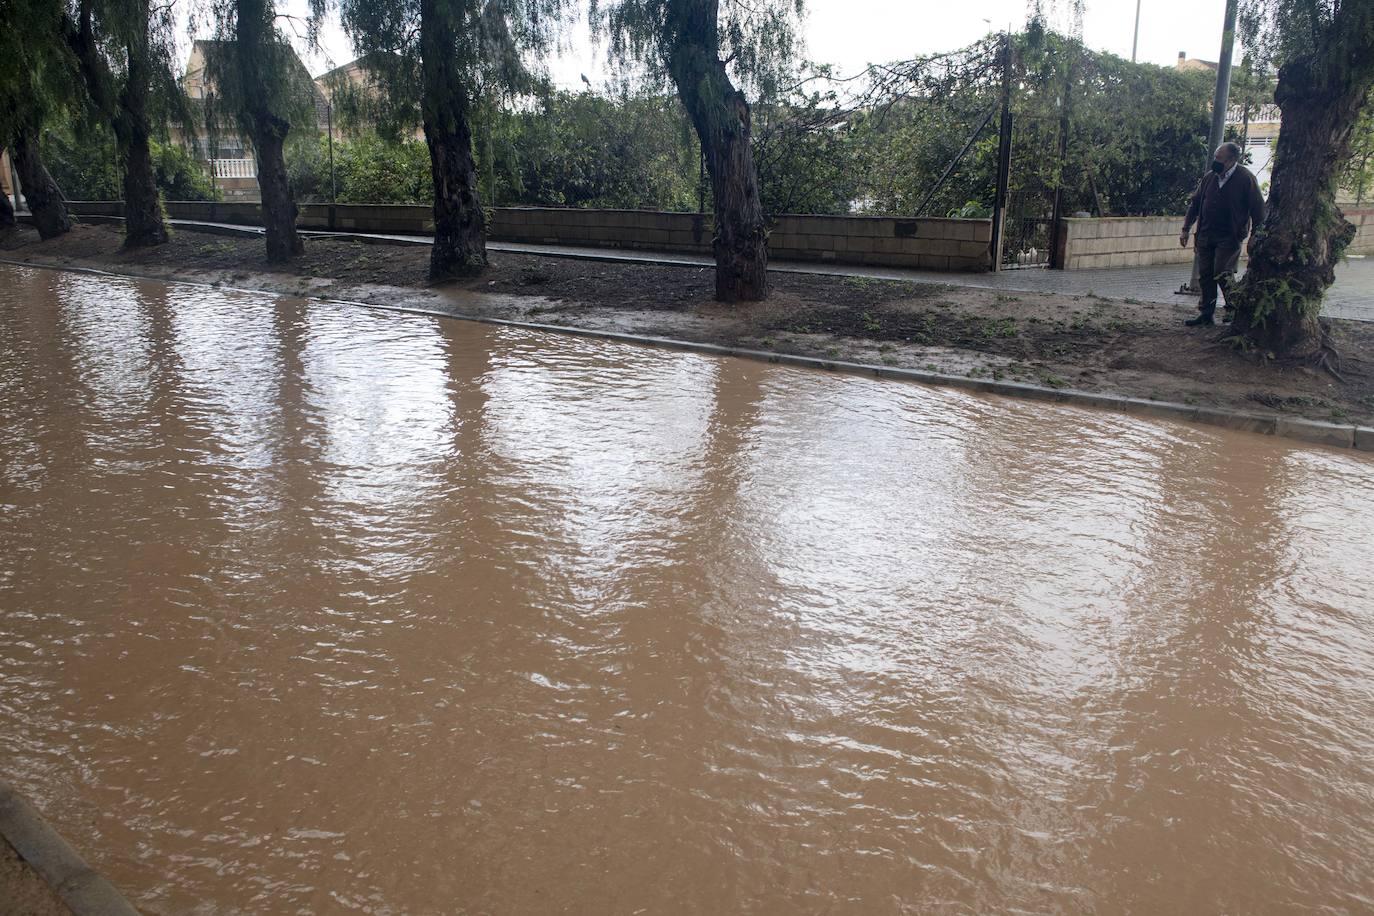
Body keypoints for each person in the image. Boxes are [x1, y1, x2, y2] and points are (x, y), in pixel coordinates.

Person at [1178, 142, 1266, 326]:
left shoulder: (1245, 179)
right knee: (1206, 274)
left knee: (1222, 273)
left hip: (1230, 236)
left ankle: (1233, 309)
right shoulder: (1210, 177)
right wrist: (1186, 228)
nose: (1215, 162)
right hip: (1206, 233)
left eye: (1219, 158)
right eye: (1215, 157)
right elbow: (1195, 204)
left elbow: (1258, 210)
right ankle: (1206, 313)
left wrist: (1255, 237)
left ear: (1231, 160)